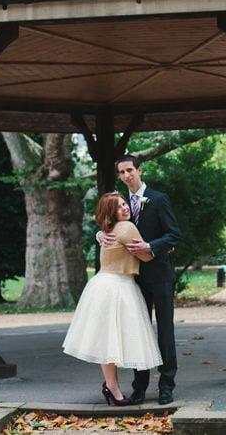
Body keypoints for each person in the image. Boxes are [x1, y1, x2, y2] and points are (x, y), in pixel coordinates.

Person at [63, 192, 162, 406]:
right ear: (111, 213)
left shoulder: (110, 230)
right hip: (118, 287)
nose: (125, 208)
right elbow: (145, 255)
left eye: (125, 204)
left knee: (107, 342)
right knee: (113, 341)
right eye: (119, 207)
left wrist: (99, 234)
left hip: (105, 284)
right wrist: (166, 248)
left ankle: (111, 386)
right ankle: (113, 388)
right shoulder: (127, 228)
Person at [98, 154, 182, 405]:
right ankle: (140, 387)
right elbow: (109, 222)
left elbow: (174, 234)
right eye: (122, 172)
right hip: (133, 279)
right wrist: (98, 235)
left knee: (164, 332)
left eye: (130, 170)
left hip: (160, 275)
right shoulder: (121, 202)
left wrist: (150, 246)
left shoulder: (158, 199)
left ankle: (166, 385)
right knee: (138, 333)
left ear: (139, 170)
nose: (126, 176)